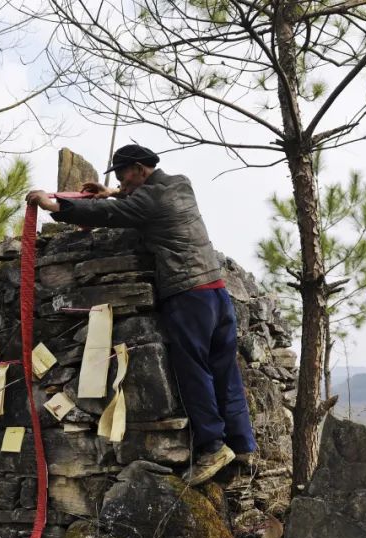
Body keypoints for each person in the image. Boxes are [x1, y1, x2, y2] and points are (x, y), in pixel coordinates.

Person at [26, 144, 257, 485]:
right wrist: (111, 192)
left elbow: (106, 215)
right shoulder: (180, 183)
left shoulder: (147, 202)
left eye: (122, 175)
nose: (120, 182)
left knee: (193, 371)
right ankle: (243, 445)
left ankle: (212, 446)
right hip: (216, 292)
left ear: (138, 169)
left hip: (187, 293)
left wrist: (55, 206)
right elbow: (131, 197)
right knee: (225, 370)